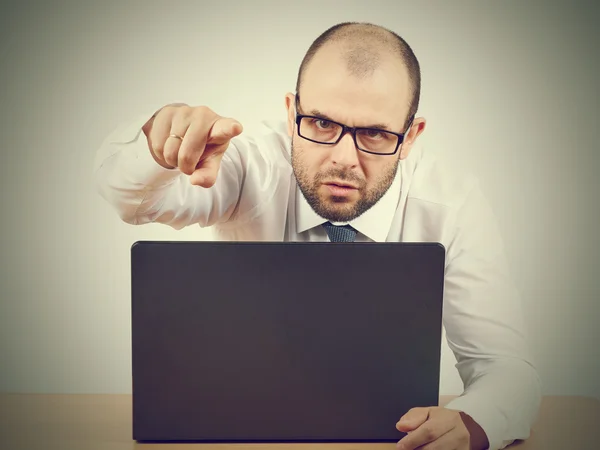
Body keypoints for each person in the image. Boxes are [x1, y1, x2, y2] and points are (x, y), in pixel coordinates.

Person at [94, 22, 541, 450]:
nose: (343, 159)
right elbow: (133, 201)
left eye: (374, 133)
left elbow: (503, 368)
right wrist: (158, 143)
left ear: (410, 137)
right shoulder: (250, 166)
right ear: (291, 114)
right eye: (322, 124)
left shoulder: (452, 206)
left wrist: (471, 423)